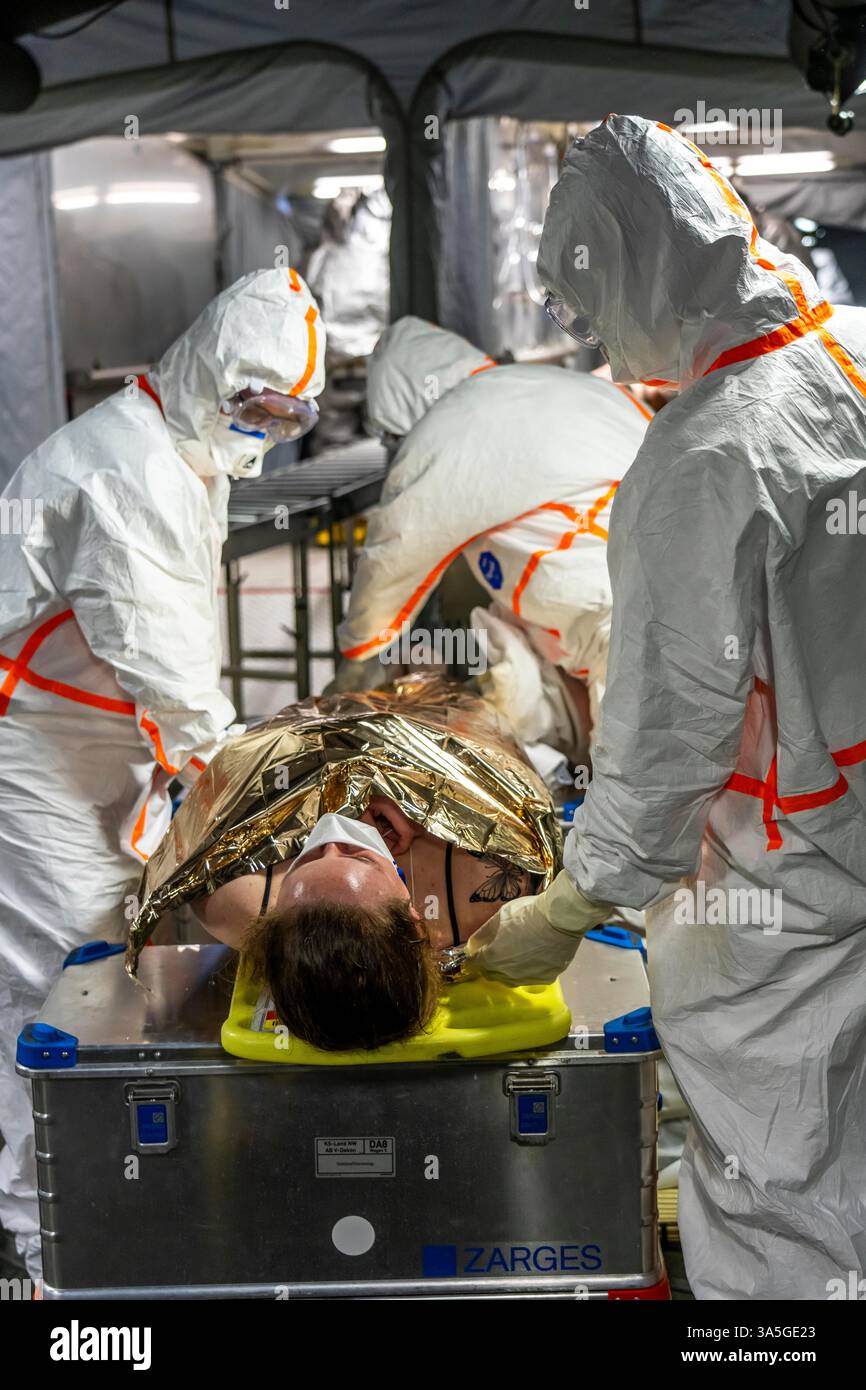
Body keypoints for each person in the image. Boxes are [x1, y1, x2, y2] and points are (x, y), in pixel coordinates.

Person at [467, 113, 866, 1301]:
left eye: (591, 306)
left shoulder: (702, 457)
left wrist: (573, 900)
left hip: (778, 879)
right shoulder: (844, 352)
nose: (595, 341)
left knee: (772, 1180)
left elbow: (663, 733)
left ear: (633, 270)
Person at [0, 267, 325, 1276]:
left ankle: (87, 1189)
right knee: (59, 967)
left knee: (108, 937)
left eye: (285, 416)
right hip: (34, 740)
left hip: (92, 728)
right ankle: (40, 1230)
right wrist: (243, 770)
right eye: (254, 407)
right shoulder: (130, 468)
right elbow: (166, 663)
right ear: (208, 373)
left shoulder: (182, 445)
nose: (264, 431)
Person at [127, 677, 557, 1053]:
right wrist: (423, 790)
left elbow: (231, 774)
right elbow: (509, 778)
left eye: (303, 858)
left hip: (319, 716)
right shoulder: (484, 885)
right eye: (357, 855)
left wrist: (328, 786)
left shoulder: (237, 900)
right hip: (444, 718)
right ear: (412, 919)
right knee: (433, 680)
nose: (334, 834)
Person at [335, 315, 651, 759]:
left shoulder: (446, 427)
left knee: (628, 798)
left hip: (613, 622)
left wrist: (357, 656)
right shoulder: (558, 385)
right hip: (659, 594)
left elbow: (392, 556)